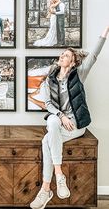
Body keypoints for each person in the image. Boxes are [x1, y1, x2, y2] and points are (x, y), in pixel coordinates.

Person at [30, 25, 109, 209]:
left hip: (76, 124)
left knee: (46, 141)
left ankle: (45, 191)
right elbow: (48, 105)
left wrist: (105, 31)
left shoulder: (79, 75)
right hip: (59, 122)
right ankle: (59, 176)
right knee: (53, 120)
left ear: (72, 62)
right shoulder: (49, 80)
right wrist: (60, 115)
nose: (62, 56)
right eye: (62, 54)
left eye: (66, 55)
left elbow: (94, 56)